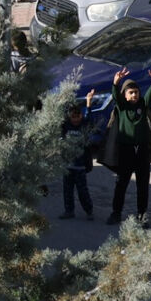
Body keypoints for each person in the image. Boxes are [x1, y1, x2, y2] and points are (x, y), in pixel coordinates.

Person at [101, 66, 151, 226]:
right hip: (126, 151)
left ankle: (142, 216)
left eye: (136, 92)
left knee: (143, 186)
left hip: (142, 151)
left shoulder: (142, 105)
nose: (134, 95)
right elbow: (115, 96)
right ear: (124, 95)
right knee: (121, 184)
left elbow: (150, 95)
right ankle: (116, 213)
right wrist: (116, 83)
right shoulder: (122, 107)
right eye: (130, 92)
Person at [59, 91, 99, 220]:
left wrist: (88, 102)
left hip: (80, 166)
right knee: (67, 190)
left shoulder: (83, 126)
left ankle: (89, 210)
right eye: (73, 117)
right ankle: (69, 210)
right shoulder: (66, 126)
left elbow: (89, 117)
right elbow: (58, 118)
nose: (76, 119)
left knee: (83, 191)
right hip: (68, 166)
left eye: (78, 116)